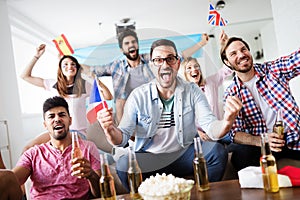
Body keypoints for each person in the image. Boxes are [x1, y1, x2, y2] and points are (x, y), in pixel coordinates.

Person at [97, 39, 242, 191]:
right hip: (150, 157)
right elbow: (122, 138)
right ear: (152, 66)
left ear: (178, 63)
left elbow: (211, 128)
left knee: (217, 152)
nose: (165, 65)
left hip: (184, 154)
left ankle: (204, 195)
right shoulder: (138, 96)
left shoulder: (193, 90)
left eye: (170, 59)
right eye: (158, 60)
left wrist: (227, 121)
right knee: (123, 165)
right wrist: (109, 129)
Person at [82, 28, 210, 124]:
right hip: (127, 115)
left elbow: (179, 56)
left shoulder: (150, 59)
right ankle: (124, 138)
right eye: (127, 43)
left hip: (151, 108)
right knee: (120, 100)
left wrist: (202, 44)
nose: (131, 45)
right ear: (122, 49)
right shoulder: (117, 66)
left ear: (137, 45)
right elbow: (92, 70)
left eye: (133, 42)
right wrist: (72, 63)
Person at [220, 36, 300, 171]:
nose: (241, 55)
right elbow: (235, 134)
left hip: (293, 136)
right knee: (240, 156)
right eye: (233, 53)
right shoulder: (231, 93)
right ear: (227, 63)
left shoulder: (273, 70)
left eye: (243, 49)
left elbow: (296, 59)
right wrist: (261, 140)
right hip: (263, 143)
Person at [20, 44, 113, 151]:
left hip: (77, 132)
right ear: (60, 68)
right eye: (65, 64)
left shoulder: (85, 85)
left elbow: (108, 96)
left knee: (67, 150)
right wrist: (36, 56)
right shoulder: (52, 84)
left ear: (77, 68)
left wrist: (95, 78)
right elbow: (25, 76)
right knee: (28, 148)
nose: (70, 66)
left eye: (73, 64)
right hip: (56, 130)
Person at [11, 96, 101, 199]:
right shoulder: (33, 154)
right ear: (45, 124)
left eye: (62, 115)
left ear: (70, 120)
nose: (57, 119)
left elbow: (100, 193)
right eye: (51, 116)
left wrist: (91, 175)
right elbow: (11, 180)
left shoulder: (88, 148)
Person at [181, 32, 232, 141]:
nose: (194, 70)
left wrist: (225, 46)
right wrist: (197, 132)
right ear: (185, 73)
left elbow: (227, 69)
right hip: (200, 136)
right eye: (189, 68)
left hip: (218, 131)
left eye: (196, 66)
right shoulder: (183, 94)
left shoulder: (210, 82)